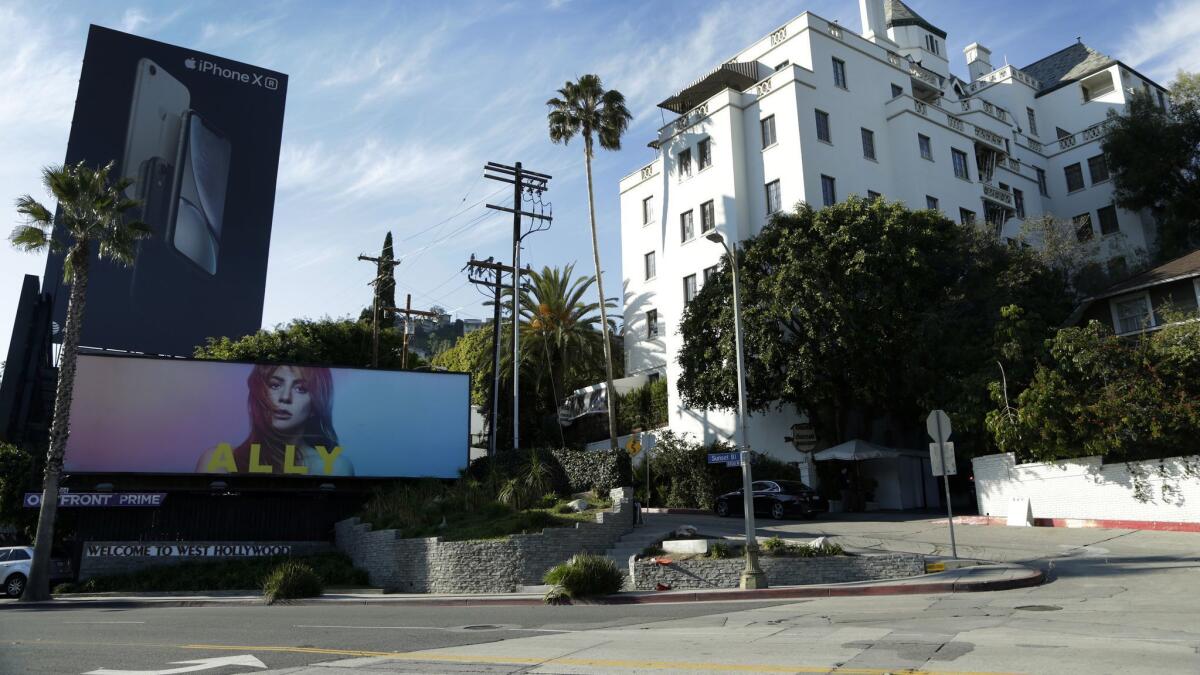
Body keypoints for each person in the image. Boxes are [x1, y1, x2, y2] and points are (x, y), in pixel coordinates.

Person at [196, 365, 354, 476]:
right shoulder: (218, 459)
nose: (285, 397)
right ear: (259, 394)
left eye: (301, 389)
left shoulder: (335, 466)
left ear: (315, 405)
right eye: (275, 385)